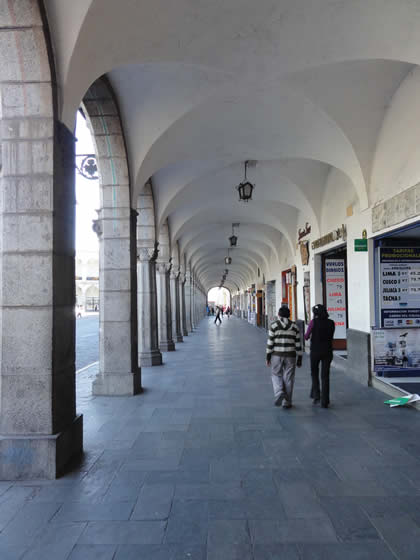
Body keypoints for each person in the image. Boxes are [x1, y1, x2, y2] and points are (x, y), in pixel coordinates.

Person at [266, 305, 302, 408]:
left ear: (279, 315)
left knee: (276, 375)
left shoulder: (274, 326)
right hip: (291, 355)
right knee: (289, 378)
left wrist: (268, 357)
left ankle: (279, 392)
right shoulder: (295, 326)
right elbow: (298, 344)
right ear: (289, 315)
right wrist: (299, 358)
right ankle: (287, 402)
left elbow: (270, 343)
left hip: (276, 355)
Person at [305, 304, 335, 408]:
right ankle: (325, 401)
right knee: (325, 376)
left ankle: (316, 396)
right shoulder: (331, 323)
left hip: (315, 352)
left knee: (314, 373)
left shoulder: (313, 322)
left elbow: (306, 336)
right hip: (327, 351)